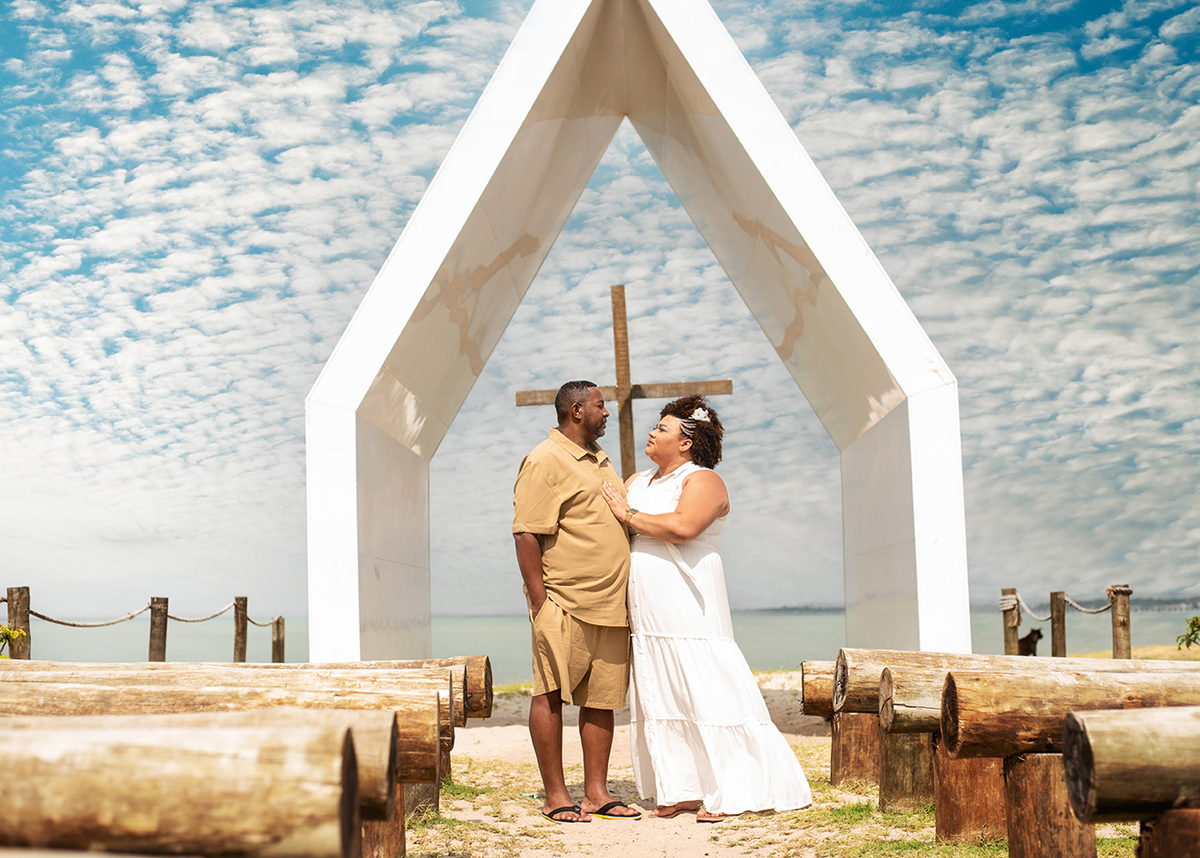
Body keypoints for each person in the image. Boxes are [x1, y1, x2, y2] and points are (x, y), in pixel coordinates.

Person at [600, 395, 812, 821]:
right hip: (647, 609)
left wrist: (627, 513)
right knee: (662, 689)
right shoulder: (637, 480)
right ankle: (681, 789)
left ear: (685, 442)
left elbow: (684, 527)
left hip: (690, 600)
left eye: (662, 428)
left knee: (707, 685)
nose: (652, 432)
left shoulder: (703, 480)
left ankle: (735, 789)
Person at [512, 380, 642, 823]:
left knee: (602, 700)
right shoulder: (545, 459)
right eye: (601, 406)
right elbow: (526, 532)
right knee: (549, 695)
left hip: (612, 605)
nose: (607, 413)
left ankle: (596, 794)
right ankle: (555, 796)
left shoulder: (601, 460)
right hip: (565, 601)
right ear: (576, 410)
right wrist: (540, 601)